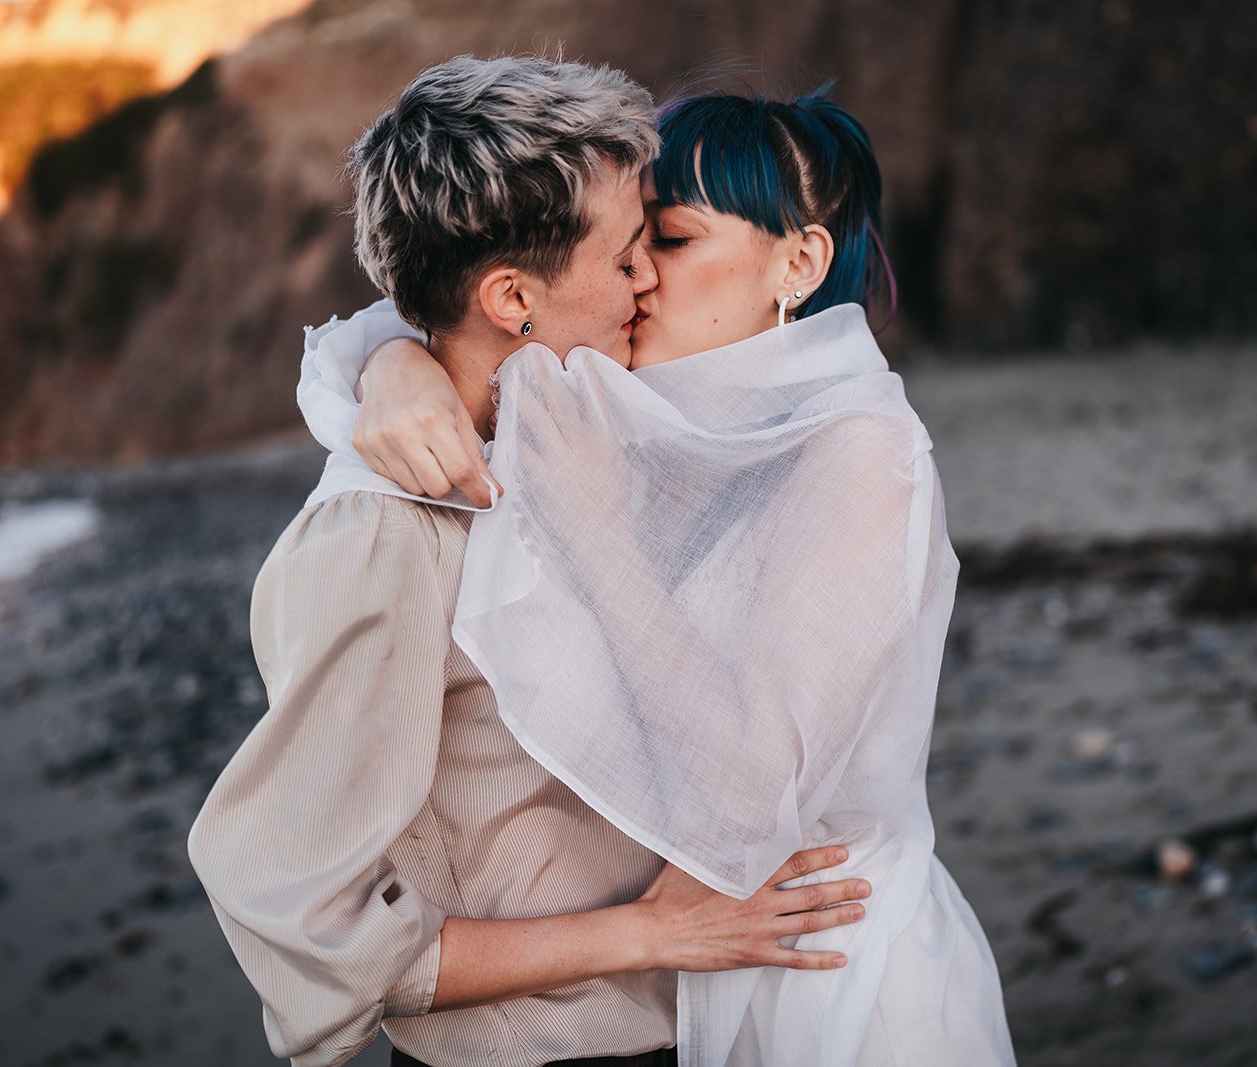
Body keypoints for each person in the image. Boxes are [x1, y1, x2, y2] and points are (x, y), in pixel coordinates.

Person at [187, 56, 873, 1067]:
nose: (651, 279)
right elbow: (302, 910)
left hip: (696, 1019)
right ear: (513, 297)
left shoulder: (584, 434)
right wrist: (647, 933)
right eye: (627, 253)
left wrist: (394, 360)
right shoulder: (381, 536)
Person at [311, 88, 1019, 1065]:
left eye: (674, 241)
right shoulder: (666, 423)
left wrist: (599, 529)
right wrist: (397, 367)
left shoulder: (861, 457)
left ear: (800, 262)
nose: (638, 277)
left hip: (825, 969)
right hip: (696, 974)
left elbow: (741, 804)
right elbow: (435, 319)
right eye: (632, 244)